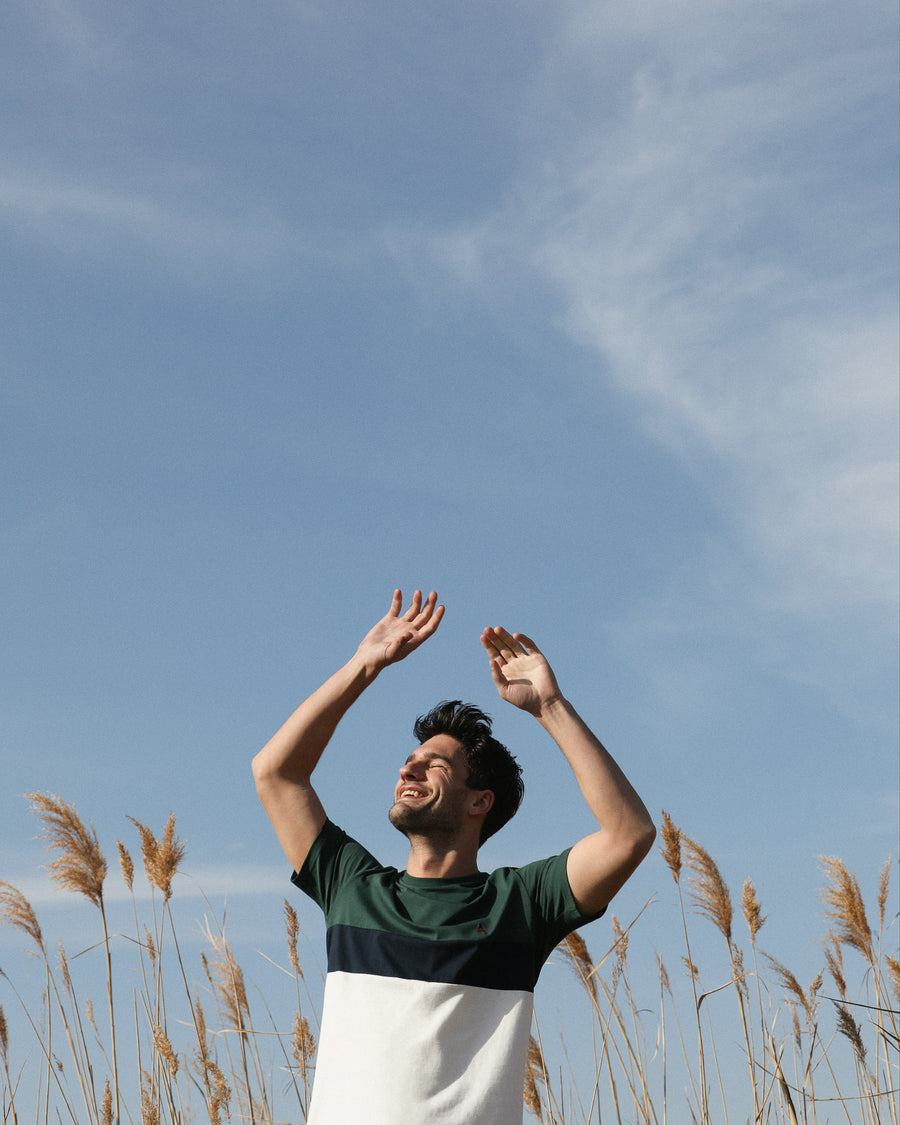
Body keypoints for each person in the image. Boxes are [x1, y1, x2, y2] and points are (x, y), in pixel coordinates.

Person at [252, 589, 656, 1125]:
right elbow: (275, 773)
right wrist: (363, 665)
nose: (408, 770)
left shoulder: (520, 905)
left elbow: (629, 833)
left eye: (434, 765)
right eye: (409, 760)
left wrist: (550, 708)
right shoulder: (352, 887)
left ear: (479, 802)